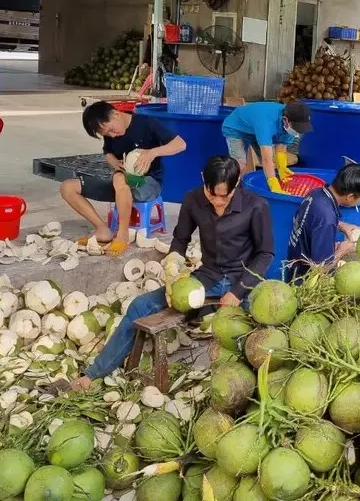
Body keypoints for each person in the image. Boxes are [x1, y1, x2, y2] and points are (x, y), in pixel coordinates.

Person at [73, 156, 274, 388]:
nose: (219, 203)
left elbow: (265, 254)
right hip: (207, 279)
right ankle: (92, 375)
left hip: (244, 281)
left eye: (225, 197)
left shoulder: (256, 205)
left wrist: (239, 292)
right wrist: (173, 266)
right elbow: (180, 239)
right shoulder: (193, 200)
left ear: (237, 181)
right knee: (140, 305)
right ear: (203, 181)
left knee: (262, 332)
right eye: (212, 195)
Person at [60, 101, 186, 256]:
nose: (112, 135)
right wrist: (112, 160)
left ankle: (123, 234)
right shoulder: (111, 134)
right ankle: (102, 229)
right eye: (107, 135)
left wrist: (152, 153)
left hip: (148, 184)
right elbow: (107, 150)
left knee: (119, 178)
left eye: (111, 130)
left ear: (116, 114)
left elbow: (180, 144)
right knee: (68, 187)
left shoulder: (147, 123)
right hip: (121, 188)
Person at [287, 163, 360, 278]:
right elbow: (319, 270)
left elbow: (311, 220)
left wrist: (341, 225)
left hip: (294, 263)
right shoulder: (326, 219)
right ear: (350, 196)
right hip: (304, 278)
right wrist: (343, 250)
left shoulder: (316, 193)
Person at [221, 100, 313, 194]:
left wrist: (282, 168)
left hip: (253, 129)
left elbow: (281, 147)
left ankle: (261, 188)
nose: (298, 132)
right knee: (241, 165)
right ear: (285, 120)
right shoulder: (266, 122)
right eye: (297, 128)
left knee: (271, 167)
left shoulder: (291, 123)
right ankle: (228, 191)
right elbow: (266, 159)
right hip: (235, 127)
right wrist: (274, 184)